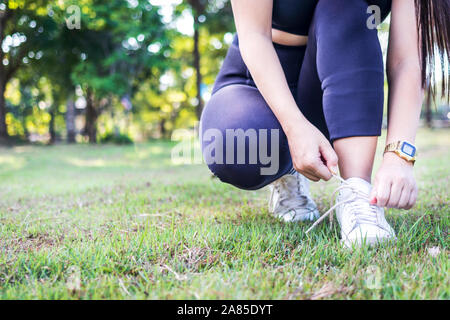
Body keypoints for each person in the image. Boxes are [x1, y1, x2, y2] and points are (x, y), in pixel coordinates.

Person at [200, 0, 449, 247]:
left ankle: (357, 194)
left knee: (345, 5)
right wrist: (294, 126)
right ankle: (286, 172)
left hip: (336, 83)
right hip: (258, 80)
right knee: (233, 145)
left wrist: (399, 156)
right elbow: (254, 36)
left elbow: (406, 61)